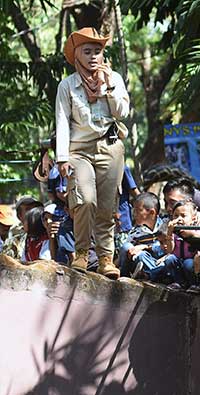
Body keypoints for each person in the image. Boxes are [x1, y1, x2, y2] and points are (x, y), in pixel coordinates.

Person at [55, 27, 130, 278]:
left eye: (98, 51)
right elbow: (62, 121)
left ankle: (106, 259)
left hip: (110, 147)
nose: (93, 57)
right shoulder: (67, 86)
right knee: (85, 200)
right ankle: (82, 254)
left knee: (107, 207)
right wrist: (62, 158)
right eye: (87, 51)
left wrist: (107, 88)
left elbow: (123, 113)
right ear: (76, 55)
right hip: (79, 151)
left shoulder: (114, 79)